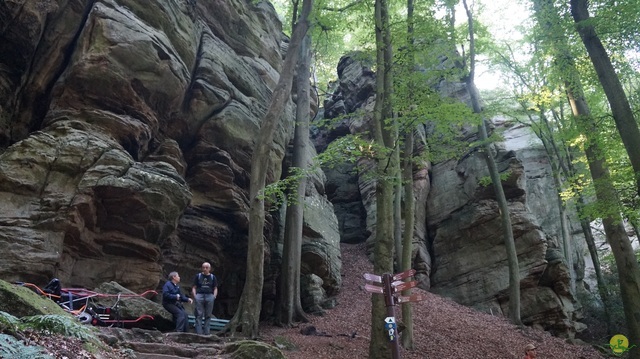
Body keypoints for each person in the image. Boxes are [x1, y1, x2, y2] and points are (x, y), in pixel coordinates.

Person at [191, 262, 218, 335]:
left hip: (209, 296)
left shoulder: (213, 277)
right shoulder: (198, 276)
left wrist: (214, 296)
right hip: (200, 295)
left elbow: (215, 288)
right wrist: (195, 296)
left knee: (208, 315)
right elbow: (194, 287)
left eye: (206, 267)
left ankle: (207, 332)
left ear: (209, 269)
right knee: (199, 314)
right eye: (203, 267)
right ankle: (199, 332)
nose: (205, 269)